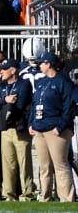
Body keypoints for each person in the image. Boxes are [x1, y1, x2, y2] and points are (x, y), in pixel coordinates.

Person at [30, 51, 74, 202]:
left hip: (55, 129)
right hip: (40, 128)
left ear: (49, 64)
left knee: (60, 165)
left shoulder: (64, 82)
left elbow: (69, 106)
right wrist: (32, 123)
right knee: (44, 166)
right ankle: (44, 196)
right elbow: (35, 104)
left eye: (42, 63)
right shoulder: (41, 82)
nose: (40, 66)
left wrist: (60, 126)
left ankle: (66, 198)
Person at [0, 58, 34, 201]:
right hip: (5, 128)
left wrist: (3, 103)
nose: (1, 71)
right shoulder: (1, 86)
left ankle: (27, 193)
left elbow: (19, 105)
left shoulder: (24, 84)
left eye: (4, 69)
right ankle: (9, 194)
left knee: (24, 162)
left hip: (20, 128)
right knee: (8, 164)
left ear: (13, 70)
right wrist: (5, 101)